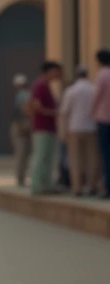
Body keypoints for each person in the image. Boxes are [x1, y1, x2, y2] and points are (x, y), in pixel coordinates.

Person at [59, 65, 99, 197]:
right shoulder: (93, 89)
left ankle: (77, 187)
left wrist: (63, 132)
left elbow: (64, 112)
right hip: (91, 127)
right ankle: (92, 185)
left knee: (75, 159)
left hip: (75, 127)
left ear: (76, 75)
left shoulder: (71, 90)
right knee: (92, 158)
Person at [28, 60, 63, 196]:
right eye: (56, 71)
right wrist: (52, 112)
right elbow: (36, 105)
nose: (58, 74)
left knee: (49, 157)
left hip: (49, 127)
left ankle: (47, 184)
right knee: (40, 156)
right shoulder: (40, 85)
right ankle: (36, 185)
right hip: (41, 126)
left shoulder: (46, 86)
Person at [92, 48, 110, 199]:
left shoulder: (102, 74)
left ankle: (107, 188)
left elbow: (96, 97)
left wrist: (91, 113)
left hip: (104, 120)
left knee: (106, 155)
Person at [9, 73, 32, 187]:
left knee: (22, 154)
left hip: (22, 127)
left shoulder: (22, 95)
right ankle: (20, 178)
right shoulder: (23, 95)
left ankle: (21, 178)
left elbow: (24, 110)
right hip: (21, 127)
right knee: (22, 153)